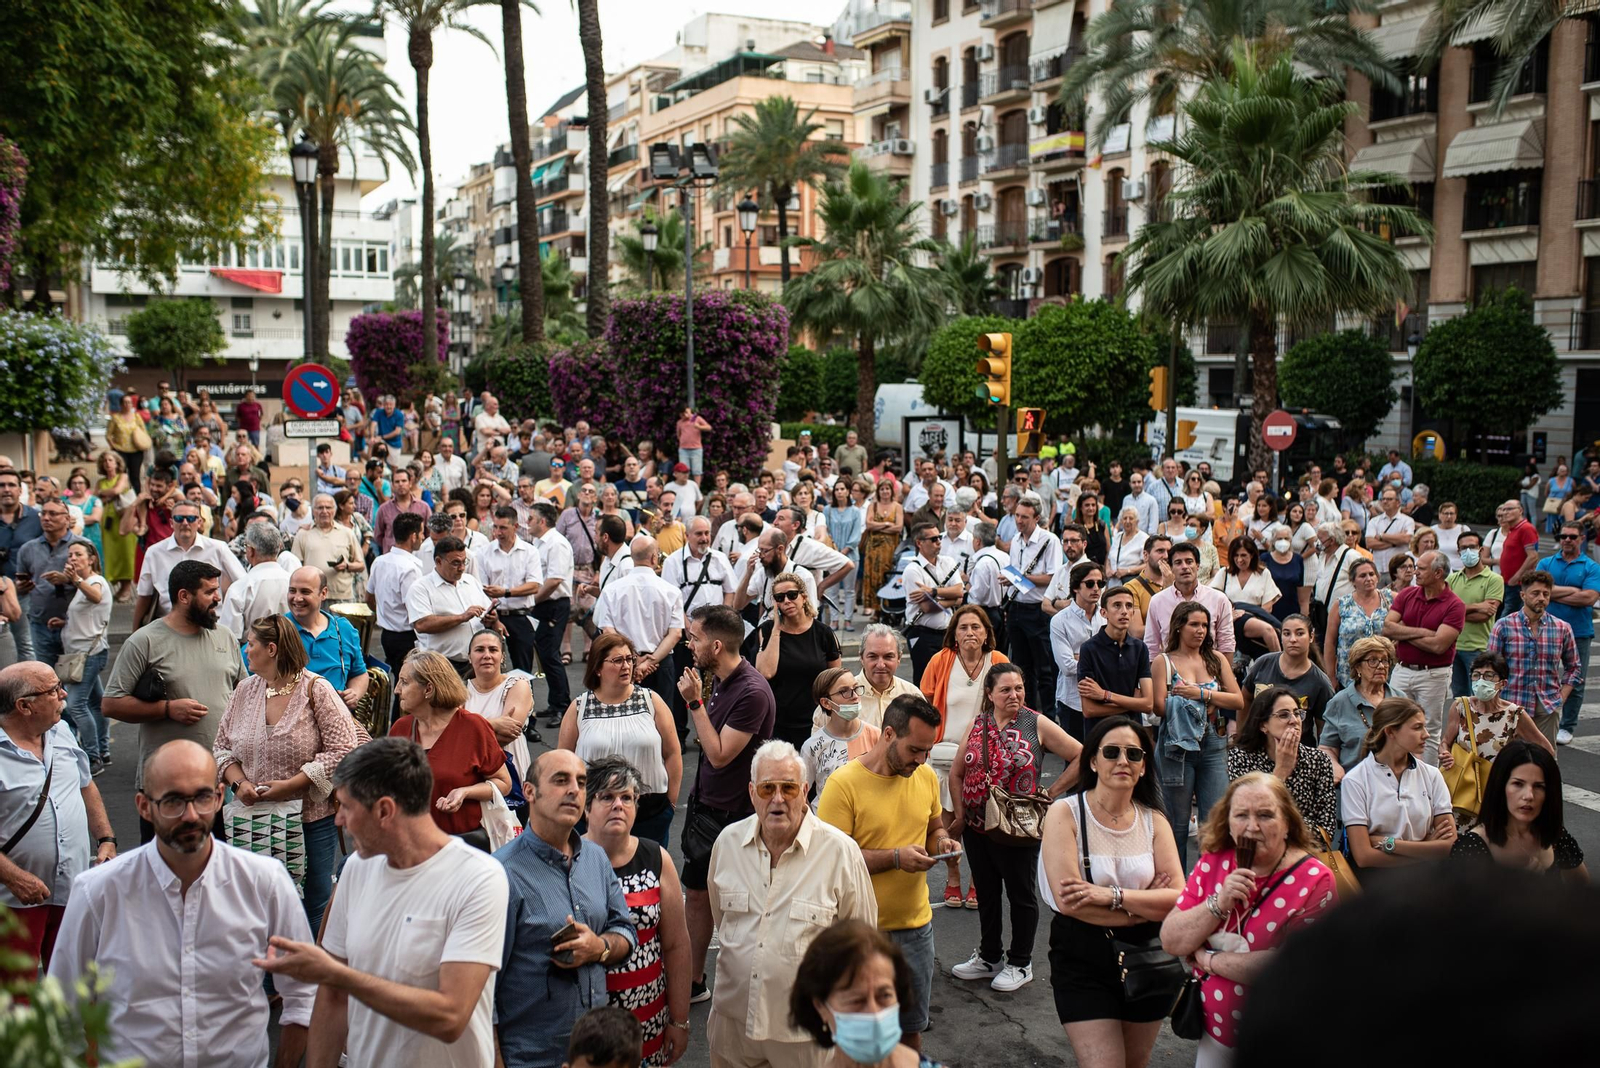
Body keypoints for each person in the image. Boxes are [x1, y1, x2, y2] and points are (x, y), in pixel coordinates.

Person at [49, 740, 311, 1067]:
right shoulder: (98, 891)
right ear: (144, 806)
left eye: (201, 797)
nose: (190, 815)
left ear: (218, 798)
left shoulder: (265, 882)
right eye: (173, 800)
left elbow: (303, 996)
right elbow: (63, 1009)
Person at [255, 736, 510, 1067]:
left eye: (345, 807)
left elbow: (450, 1017)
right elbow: (332, 997)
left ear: (385, 810)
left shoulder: (479, 878)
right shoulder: (357, 869)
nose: (338, 821)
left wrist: (337, 975)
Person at [705, 740, 878, 1068]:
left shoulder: (840, 852)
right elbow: (722, 920)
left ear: (805, 790)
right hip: (733, 1028)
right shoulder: (727, 843)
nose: (778, 799)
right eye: (768, 788)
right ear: (752, 792)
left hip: (806, 1036)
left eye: (788, 788)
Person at [1160, 771, 1338, 1066]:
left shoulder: (1314, 880)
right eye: (1241, 815)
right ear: (1228, 823)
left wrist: (1209, 961)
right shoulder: (1214, 861)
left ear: (1287, 824)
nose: (1252, 827)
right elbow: (1171, 939)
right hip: (1214, 1036)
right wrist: (1219, 902)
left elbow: (1291, 968)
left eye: (1266, 815)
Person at [1035, 714, 1182, 1068]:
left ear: (1144, 767)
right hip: (1082, 958)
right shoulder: (1065, 814)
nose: (1122, 761)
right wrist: (1145, 905)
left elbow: (1179, 898)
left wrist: (1109, 896)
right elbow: (1070, 902)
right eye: (1112, 751)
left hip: (1147, 957)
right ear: (1093, 760)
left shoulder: (1154, 820)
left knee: (1136, 1062)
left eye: (1134, 754)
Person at [816, 694, 954, 1053]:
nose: (921, 760)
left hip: (915, 930)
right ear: (889, 734)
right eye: (915, 750)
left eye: (927, 751)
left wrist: (943, 843)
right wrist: (895, 858)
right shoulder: (843, 784)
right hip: (858, 933)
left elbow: (934, 828)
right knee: (855, 1036)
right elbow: (830, 862)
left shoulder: (924, 776)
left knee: (910, 1030)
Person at [215, 615, 365, 933]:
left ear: (271, 649)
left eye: (251, 643)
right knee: (258, 905)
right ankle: (267, 979)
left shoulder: (316, 689)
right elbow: (221, 747)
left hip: (311, 821)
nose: (245, 649)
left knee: (313, 905)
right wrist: (238, 784)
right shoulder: (244, 691)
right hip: (252, 821)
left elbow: (345, 747)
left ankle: (311, 977)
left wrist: (295, 784)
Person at [492, 749, 638, 1068]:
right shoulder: (501, 874)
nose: (574, 789)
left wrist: (598, 947)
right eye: (561, 780)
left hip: (596, 1057)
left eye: (582, 782)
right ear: (529, 792)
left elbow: (625, 931)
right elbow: (484, 987)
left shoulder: (596, 859)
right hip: (530, 1058)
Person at [948, 663, 1082, 993]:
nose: (1014, 694)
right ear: (990, 694)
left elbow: (1082, 755)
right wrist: (961, 815)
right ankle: (990, 956)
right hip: (978, 826)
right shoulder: (977, 724)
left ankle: (1021, 962)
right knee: (988, 893)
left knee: (1021, 896)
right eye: (1006, 689)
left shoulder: (1036, 722)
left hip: (1018, 826)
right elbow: (956, 773)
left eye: (1019, 687)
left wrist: (1050, 793)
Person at [674, 604, 776, 1004]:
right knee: (697, 893)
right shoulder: (720, 677)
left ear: (716, 646)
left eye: (695, 638)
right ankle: (694, 979)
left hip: (733, 815)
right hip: (707, 806)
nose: (689, 643)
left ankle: (747, 988)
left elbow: (718, 754)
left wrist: (694, 703)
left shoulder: (750, 691)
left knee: (737, 903)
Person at [103, 560, 246, 843]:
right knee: (162, 874)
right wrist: (167, 709)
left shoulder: (225, 636)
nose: (218, 598)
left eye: (217, 590)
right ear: (184, 596)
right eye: (209, 592)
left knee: (215, 873)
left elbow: (243, 693)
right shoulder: (144, 641)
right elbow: (111, 704)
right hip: (166, 786)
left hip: (218, 783)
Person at [0, 660, 116, 976]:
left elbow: (86, 786)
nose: (63, 694)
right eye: (52, 690)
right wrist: (14, 878)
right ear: (24, 706)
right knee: (16, 996)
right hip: (14, 901)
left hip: (73, 891)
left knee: (77, 990)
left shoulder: (62, 731)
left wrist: (106, 838)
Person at [583, 757, 692, 1067]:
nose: (619, 805)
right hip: (586, 1028)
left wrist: (679, 1020)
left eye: (627, 797)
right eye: (607, 796)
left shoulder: (656, 858)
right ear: (587, 807)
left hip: (648, 1023)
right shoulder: (570, 861)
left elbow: (676, 945)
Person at [558, 631, 682, 846]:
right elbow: (563, 762)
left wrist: (670, 803)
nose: (626, 666)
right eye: (617, 660)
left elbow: (672, 753)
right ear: (597, 668)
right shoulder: (580, 707)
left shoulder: (651, 700)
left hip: (650, 813)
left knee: (647, 876)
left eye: (629, 659)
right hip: (594, 813)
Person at [1151, 601, 1246, 867]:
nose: (1201, 630)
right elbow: (1158, 706)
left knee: (1214, 821)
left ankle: (1211, 885)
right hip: (1176, 747)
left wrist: (1200, 694)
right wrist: (1202, 702)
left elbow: (1238, 701)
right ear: (1179, 627)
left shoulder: (1215, 659)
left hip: (1214, 743)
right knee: (1177, 823)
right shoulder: (1164, 661)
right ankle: (1176, 888)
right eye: (1194, 624)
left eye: (1205, 625)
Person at [389, 651, 512, 846]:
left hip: (460, 848)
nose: (397, 690)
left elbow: (504, 783)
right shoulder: (400, 728)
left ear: (428, 689)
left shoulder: (473, 727)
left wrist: (465, 792)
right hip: (410, 846)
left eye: (404, 682)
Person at [1341, 696, 1456, 876]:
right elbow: (1364, 857)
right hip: (1376, 885)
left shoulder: (1432, 775)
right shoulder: (1355, 780)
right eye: (1417, 727)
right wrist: (1426, 850)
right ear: (1391, 732)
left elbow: (1448, 845)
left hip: (1425, 880)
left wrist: (1390, 843)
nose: (1426, 734)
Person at [1450, 740, 1588, 881]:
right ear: (1501, 786)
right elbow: (1460, 901)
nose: (1529, 796)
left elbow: (1583, 890)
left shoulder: (1556, 836)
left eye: (1539, 786)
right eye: (1518, 784)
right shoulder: (1472, 847)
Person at [1439, 649, 1555, 802]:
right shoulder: (1460, 707)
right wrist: (1445, 754)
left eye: (1488, 676)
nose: (1481, 681)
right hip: (1463, 789)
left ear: (1502, 683)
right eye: (1476, 675)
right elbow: (1446, 742)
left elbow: (1546, 750)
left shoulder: (1514, 715)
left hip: (1498, 791)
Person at [1382, 551, 1463, 764]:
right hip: (1402, 669)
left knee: (1430, 729)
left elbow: (1439, 646)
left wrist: (1405, 632)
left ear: (1438, 573)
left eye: (1421, 568)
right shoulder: (1408, 594)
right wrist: (1425, 632)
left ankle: (1426, 780)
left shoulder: (1455, 605)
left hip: (1433, 675)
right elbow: (1387, 628)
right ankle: (1396, 768)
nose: (1415, 571)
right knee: (1394, 721)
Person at [1225, 686, 1340, 836]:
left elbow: (1326, 829)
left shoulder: (1319, 760)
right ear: (1263, 725)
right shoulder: (1241, 757)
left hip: (1304, 850)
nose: (1294, 721)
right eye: (1284, 715)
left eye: (1297, 713)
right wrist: (1281, 772)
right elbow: (1249, 819)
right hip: (1257, 846)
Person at [1487, 569, 1580, 747]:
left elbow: (1574, 667)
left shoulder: (1562, 628)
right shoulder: (1504, 626)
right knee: (1509, 760)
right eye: (1535, 593)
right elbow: (1491, 668)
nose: (1541, 598)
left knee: (1546, 761)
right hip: (1511, 704)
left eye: (1546, 594)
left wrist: (1561, 697)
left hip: (1547, 705)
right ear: (1523, 595)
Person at [755, 571, 843, 748]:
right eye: (780, 598)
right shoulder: (767, 630)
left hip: (815, 722)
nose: (787, 601)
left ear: (804, 597)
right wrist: (777, 628)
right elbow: (766, 672)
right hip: (777, 723)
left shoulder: (823, 633)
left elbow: (835, 681)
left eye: (792, 595)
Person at [132, 496, 244, 626]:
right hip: (170, 626)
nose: (185, 523)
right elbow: (144, 595)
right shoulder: (154, 552)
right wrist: (135, 631)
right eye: (179, 518)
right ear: (171, 522)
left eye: (190, 518)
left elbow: (242, 583)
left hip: (210, 624)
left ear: (200, 522)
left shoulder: (218, 548)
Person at [1536, 522, 1600, 745]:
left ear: (1582, 538)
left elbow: (1589, 598)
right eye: (1563, 536)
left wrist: (1552, 594)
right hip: (1547, 629)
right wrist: (1573, 591)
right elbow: (1536, 592)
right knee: (1544, 673)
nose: (1567, 540)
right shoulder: (1546, 562)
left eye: (1572, 536)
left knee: (1576, 678)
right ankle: (1542, 717)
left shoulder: (1591, 567)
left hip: (1579, 630)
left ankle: (1568, 725)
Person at [14, 497, 92, 669]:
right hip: (40, 623)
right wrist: (20, 588)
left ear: (66, 518)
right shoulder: (28, 548)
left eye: (53, 514)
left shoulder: (82, 547)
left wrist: (69, 579)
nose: (46, 518)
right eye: (43, 513)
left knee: (78, 679)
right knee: (47, 678)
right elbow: (20, 584)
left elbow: (96, 584)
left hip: (74, 623)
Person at [1003, 498, 1063, 713]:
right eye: (1017, 515)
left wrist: (1019, 577)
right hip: (1017, 607)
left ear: (1037, 518)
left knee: (1045, 669)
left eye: (1024, 517)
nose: (1019, 520)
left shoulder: (1049, 540)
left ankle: (1047, 715)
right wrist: (1012, 578)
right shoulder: (1016, 539)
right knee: (1021, 668)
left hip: (1037, 610)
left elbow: (1053, 577)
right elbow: (1017, 574)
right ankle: (1024, 714)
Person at [407, 536, 495, 676]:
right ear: (438, 561)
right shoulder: (421, 588)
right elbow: (422, 624)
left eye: (464, 562)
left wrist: (492, 619)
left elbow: (485, 612)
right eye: (455, 563)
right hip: (441, 666)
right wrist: (462, 617)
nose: (461, 568)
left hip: (475, 664)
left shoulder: (470, 581)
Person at [285, 566, 369, 709]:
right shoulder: (276, 629)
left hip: (337, 721)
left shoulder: (343, 629)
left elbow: (360, 673)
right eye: (292, 591)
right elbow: (247, 672)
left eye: (305, 592)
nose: (297, 598)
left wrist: (354, 692)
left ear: (323, 593)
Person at [1144, 541, 1236, 662]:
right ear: (1171, 568)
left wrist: (1223, 677)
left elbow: (1226, 643)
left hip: (1209, 671)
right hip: (1171, 672)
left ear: (1197, 566)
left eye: (1189, 561)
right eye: (1178, 563)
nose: (1184, 567)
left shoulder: (1218, 599)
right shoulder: (1158, 601)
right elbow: (1151, 646)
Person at [1241, 615, 1335, 731]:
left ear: (1311, 637)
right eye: (1287, 634)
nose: (1293, 639)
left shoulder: (1320, 682)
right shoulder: (1263, 663)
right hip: (1260, 744)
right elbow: (1245, 699)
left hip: (1298, 746)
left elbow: (1325, 729)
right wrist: (1242, 734)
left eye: (1300, 634)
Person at [803, 666, 883, 799]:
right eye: (844, 691)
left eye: (856, 688)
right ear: (826, 703)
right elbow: (800, 791)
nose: (855, 696)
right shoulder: (812, 746)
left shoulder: (876, 736)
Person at [527, 500, 576, 719]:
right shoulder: (539, 543)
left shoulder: (557, 543)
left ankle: (562, 705)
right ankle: (554, 701)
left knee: (551, 654)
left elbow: (554, 580)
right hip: (542, 603)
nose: (527, 523)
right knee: (545, 656)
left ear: (542, 521)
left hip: (553, 604)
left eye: (530, 519)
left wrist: (531, 600)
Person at [900, 521, 965, 683]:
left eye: (939, 537)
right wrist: (952, 599)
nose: (938, 542)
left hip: (947, 633)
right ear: (919, 543)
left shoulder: (947, 562)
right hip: (923, 634)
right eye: (933, 539)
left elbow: (960, 592)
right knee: (926, 682)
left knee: (949, 681)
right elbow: (927, 606)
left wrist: (934, 592)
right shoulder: (912, 570)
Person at [465, 628, 535, 776]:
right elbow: (450, 734)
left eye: (493, 650)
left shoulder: (518, 685)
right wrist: (495, 724)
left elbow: (508, 735)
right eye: (479, 650)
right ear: (469, 657)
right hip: (472, 772)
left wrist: (466, 734)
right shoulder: (460, 690)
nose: (487, 655)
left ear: (502, 657)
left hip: (510, 771)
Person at [1050, 561, 1107, 740]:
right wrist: (1100, 660)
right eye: (1090, 584)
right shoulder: (1060, 621)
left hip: (1104, 697)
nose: (1096, 588)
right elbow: (1067, 667)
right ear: (1076, 587)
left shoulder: (1107, 617)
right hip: (1072, 701)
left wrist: (1081, 657)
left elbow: (1117, 658)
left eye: (1100, 583)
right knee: (1075, 760)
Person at [367, 510, 427, 677]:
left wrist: (385, 615)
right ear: (413, 536)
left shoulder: (379, 561)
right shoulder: (410, 568)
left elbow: (369, 598)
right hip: (406, 637)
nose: (423, 537)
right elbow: (414, 608)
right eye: (421, 532)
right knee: (409, 687)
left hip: (387, 635)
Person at [1446, 530, 1503, 700]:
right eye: (1463, 548)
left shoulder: (1493, 579)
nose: (1468, 551)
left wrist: (1454, 614)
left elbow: (1485, 616)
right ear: (1458, 551)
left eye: (1472, 547)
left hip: (1479, 648)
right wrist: (1477, 606)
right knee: (1460, 699)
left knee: (1481, 697)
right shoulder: (1452, 579)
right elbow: (1443, 612)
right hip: (1454, 647)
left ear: (1480, 549)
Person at [218, 520, 292, 641]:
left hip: (252, 655)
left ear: (250, 551)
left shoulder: (240, 588)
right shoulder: (292, 582)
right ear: (279, 547)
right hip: (290, 652)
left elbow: (230, 637)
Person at [1210, 536, 1281, 654]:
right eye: (1236, 556)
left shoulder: (1263, 573)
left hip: (1254, 618)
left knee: (1269, 631)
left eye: (1243, 555)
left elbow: (1267, 607)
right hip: (1230, 620)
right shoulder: (1225, 573)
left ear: (1252, 555)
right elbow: (1213, 598)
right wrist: (1230, 615)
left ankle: (1278, 663)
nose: (1239, 560)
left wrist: (1249, 617)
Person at [290, 493, 365, 603]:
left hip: (342, 596)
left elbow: (361, 565)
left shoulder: (347, 533)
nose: (324, 511)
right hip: (313, 597)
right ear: (313, 511)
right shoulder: (303, 534)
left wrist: (347, 565)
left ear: (334, 510)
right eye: (320, 508)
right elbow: (295, 567)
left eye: (328, 507)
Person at [824, 479, 863, 631]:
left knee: (849, 589)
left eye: (842, 489)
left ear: (848, 491)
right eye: (837, 489)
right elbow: (826, 531)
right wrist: (833, 550)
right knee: (832, 590)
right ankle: (834, 620)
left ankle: (848, 619)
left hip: (851, 557)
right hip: (831, 556)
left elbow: (855, 536)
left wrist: (844, 551)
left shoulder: (855, 511)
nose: (839, 492)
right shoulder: (828, 510)